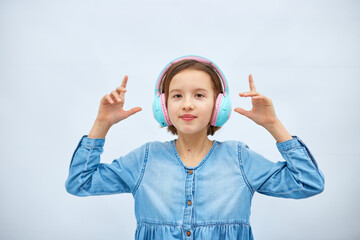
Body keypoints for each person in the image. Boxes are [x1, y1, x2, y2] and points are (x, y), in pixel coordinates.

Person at [65, 55, 325, 240]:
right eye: (177, 96)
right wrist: (102, 123)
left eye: (199, 95)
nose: (187, 104)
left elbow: (308, 183)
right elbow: (80, 183)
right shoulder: (145, 159)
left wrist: (272, 124)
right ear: (164, 108)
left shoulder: (240, 158)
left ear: (218, 105)